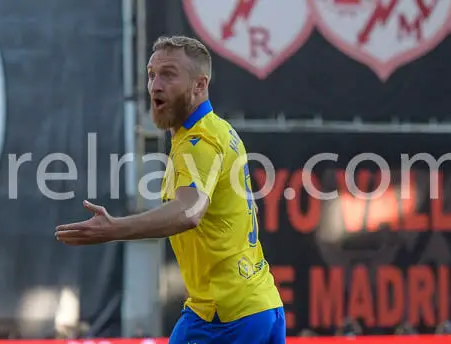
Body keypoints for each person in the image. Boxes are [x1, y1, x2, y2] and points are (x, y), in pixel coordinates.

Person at [55, 35, 285, 343]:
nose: (155, 85)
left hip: (228, 317)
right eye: (151, 74)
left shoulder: (200, 141)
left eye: (168, 74)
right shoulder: (216, 130)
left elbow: (189, 212)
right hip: (251, 305)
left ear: (199, 85)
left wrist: (115, 228)